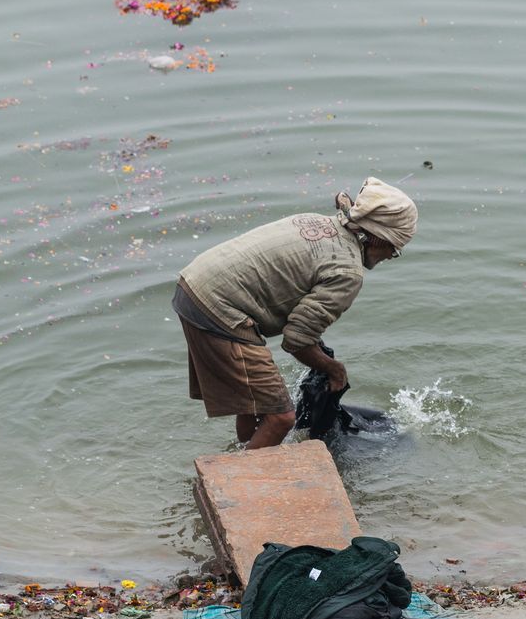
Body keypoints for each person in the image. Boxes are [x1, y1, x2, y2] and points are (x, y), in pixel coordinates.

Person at [172, 177, 417, 449]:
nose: (390, 255)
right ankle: (243, 484)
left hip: (193, 287)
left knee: (256, 404)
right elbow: (297, 340)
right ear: (376, 237)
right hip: (221, 311)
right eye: (394, 249)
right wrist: (334, 369)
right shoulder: (348, 273)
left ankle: (246, 450)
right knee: (281, 417)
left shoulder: (317, 221)